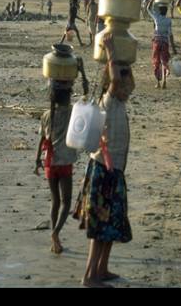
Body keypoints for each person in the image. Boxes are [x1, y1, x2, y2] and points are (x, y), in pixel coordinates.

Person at [74, 35, 134, 287]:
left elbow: (120, 79)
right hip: (103, 172)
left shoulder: (119, 104)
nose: (128, 90)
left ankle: (102, 269)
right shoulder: (107, 102)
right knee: (100, 229)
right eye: (125, 86)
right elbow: (115, 79)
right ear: (113, 85)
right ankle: (89, 275)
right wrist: (110, 51)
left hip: (114, 173)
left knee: (111, 226)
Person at [35, 81, 78, 255]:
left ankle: (55, 237)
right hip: (65, 162)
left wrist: (37, 160)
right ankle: (56, 232)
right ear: (68, 97)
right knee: (66, 202)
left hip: (49, 163)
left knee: (55, 202)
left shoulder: (46, 115)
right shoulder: (72, 112)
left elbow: (41, 140)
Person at [147, 0, 178, 89]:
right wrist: (173, 47)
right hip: (165, 42)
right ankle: (164, 81)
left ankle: (158, 82)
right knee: (164, 61)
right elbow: (170, 34)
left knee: (156, 62)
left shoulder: (156, 18)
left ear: (159, 11)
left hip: (156, 42)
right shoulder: (168, 21)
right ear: (166, 11)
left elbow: (148, 8)